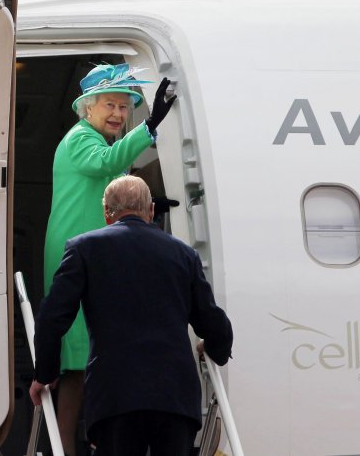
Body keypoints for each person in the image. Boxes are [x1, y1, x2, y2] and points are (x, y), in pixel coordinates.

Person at [31, 175, 233, 456]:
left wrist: (45, 373)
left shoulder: (83, 248)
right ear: (151, 211)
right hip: (175, 398)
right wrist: (214, 349)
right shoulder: (184, 254)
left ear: (106, 214)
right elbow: (213, 322)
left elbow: (52, 318)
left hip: (115, 397)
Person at [42, 62, 177, 452]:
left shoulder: (97, 141)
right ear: (88, 108)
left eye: (124, 107)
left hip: (96, 255)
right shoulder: (80, 139)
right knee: (76, 361)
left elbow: (115, 186)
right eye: (110, 106)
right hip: (77, 254)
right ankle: (65, 447)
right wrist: (149, 126)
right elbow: (107, 163)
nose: (118, 114)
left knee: (88, 360)